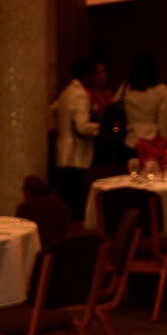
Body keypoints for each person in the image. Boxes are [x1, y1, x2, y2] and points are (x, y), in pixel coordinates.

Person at [53, 55, 100, 221]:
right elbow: (82, 126)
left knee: (67, 197)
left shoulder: (66, 92)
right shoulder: (81, 95)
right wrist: (102, 128)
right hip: (76, 154)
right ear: (87, 75)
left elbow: (53, 111)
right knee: (77, 201)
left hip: (63, 151)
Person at [118, 50, 167, 154]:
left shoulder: (124, 89)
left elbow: (114, 107)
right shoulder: (161, 90)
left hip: (130, 142)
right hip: (154, 143)